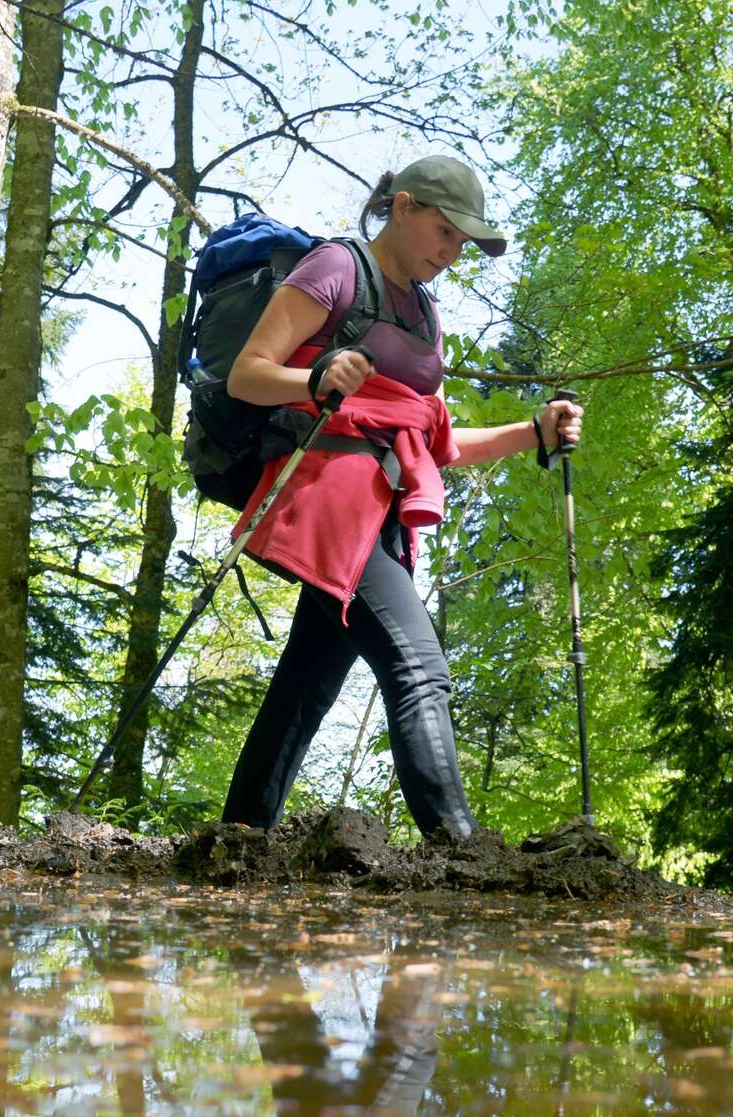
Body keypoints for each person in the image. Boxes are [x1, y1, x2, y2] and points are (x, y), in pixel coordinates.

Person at [220, 155, 582, 841]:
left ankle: (238, 842)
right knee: (419, 668)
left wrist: (533, 431)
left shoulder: (426, 317)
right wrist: (316, 376)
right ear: (405, 205)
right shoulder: (337, 268)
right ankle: (464, 847)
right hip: (326, 504)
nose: (451, 253)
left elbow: (437, 443)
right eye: (445, 232)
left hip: (384, 518)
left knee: (304, 689)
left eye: (462, 243)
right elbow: (247, 375)